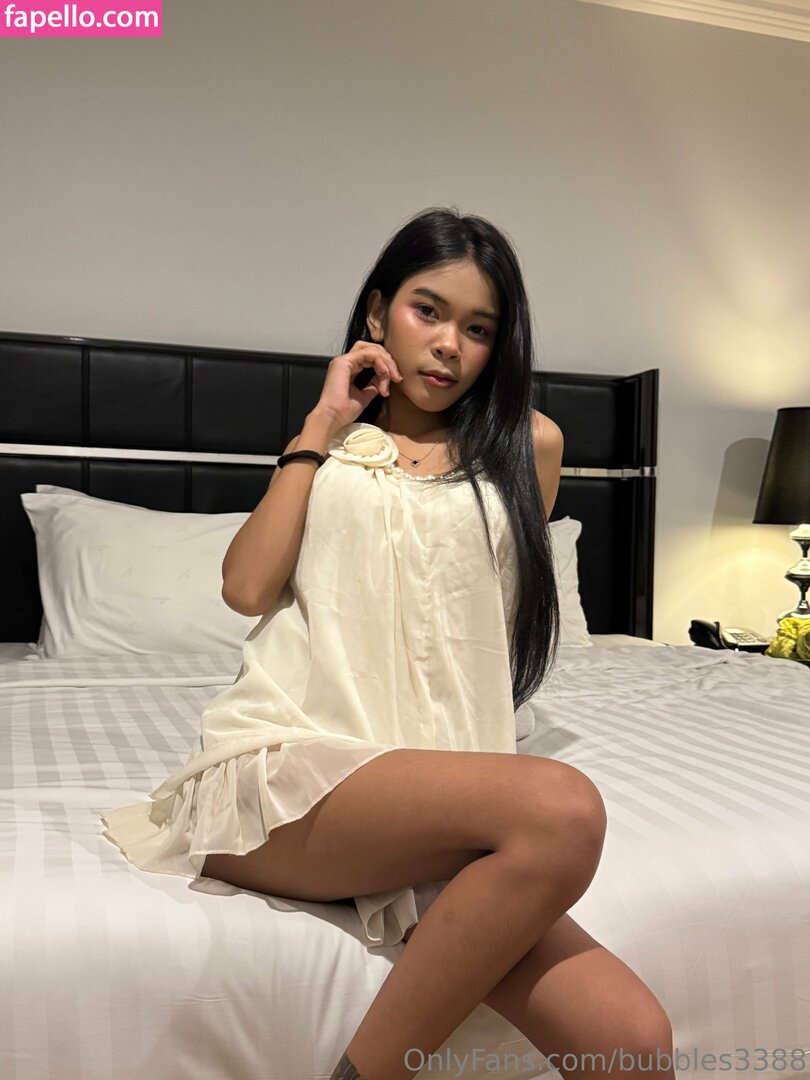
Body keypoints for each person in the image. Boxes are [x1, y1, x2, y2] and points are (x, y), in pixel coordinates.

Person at [101, 206, 675, 1080]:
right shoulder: (327, 448)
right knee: (562, 807)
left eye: (478, 328)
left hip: (431, 802)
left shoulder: (531, 447)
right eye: (427, 311)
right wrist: (320, 426)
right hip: (281, 779)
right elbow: (245, 588)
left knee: (634, 1043)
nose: (448, 344)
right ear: (378, 314)